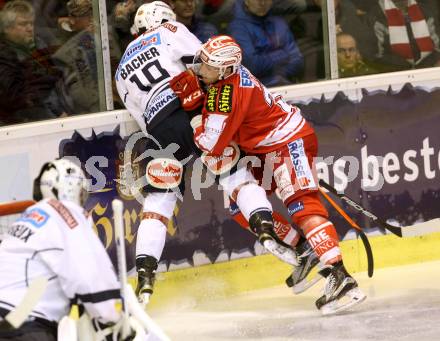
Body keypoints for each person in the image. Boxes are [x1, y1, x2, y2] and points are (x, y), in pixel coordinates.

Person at [116, 1, 316, 306]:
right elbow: (211, 64)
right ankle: (264, 225)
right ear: (163, 18)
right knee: (236, 176)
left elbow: (140, 118)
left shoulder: (119, 71)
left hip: (160, 134)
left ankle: (144, 275)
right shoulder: (170, 29)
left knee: (159, 203)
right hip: (194, 114)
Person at [171, 35, 366, 315]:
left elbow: (210, 144)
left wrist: (192, 109)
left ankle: (340, 276)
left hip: (289, 141)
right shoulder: (222, 79)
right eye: (201, 60)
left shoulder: (228, 93)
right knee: (240, 205)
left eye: (207, 65)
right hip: (264, 147)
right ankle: (304, 250)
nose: (200, 68)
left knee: (302, 205)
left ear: (226, 70)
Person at [0, 159, 125, 340]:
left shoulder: (29, 217)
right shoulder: (66, 213)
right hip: (19, 323)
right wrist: (114, 318)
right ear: (72, 188)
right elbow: (90, 277)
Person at [0, 0, 69, 125]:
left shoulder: (38, 45)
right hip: (31, 123)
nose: (29, 28)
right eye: (23, 24)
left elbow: (55, 80)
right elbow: (21, 100)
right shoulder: (4, 57)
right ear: (7, 28)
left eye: (31, 23)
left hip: (60, 114)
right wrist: (58, 116)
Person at [228, 0, 304, 87]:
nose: (262, 3)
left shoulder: (279, 22)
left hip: (284, 84)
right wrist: (283, 54)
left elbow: (298, 61)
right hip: (255, 90)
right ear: (246, 1)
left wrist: (280, 74)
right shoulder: (238, 28)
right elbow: (252, 66)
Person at [367, 0, 440, 72]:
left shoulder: (425, 10)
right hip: (392, 72)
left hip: (429, 70)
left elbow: (437, 46)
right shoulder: (375, 15)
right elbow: (376, 56)